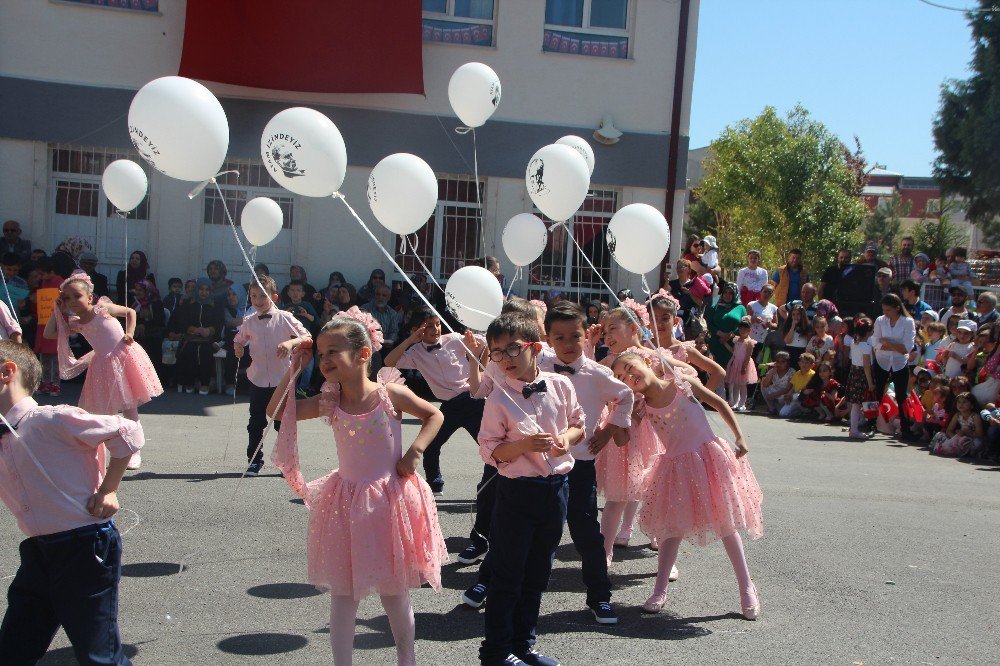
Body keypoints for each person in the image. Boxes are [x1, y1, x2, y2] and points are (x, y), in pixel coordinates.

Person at [267, 311, 447, 666]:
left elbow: (434, 415)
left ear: (363, 354)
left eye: (333, 351)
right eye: (320, 354)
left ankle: (406, 659)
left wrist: (415, 451)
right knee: (344, 595)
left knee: (394, 592)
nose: (325, 360)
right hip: (347, 503)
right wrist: (295, 366)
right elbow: (276, 410)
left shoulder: (389, 394)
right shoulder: (328, 401)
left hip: (390, 501)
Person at [0, 340, 144, 665]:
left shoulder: (51, 419)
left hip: (84, 547)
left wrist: (109, 489)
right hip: (39, 551)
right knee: (14, 648)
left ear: (6, 372)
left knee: (97, 655)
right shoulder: (4, 432)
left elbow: (129, 433)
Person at [610, 351, 762, 619]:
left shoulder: (681, 384)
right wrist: (619, 412)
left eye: (630, 367)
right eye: (622, 376)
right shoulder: (641, 405)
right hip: (675, 468)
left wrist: (740, 437)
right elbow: (624, 439)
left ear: (646, 362)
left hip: (708, 458)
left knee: (726, 523)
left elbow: (719, 404)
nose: (629, 376)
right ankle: (659, 589)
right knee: (671, 529)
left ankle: (746, 586)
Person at [476, 313, 584, 666]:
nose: (505, 359)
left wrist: (564, 441)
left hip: (556, 491)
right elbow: (490, 452)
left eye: (512, 349)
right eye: (497, 353)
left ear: (535, 348)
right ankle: (495, 652)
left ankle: (524, 644)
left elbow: (577, 426)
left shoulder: (560, 385)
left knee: (539, 572)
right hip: (516, 494)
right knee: (509, 575)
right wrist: (522, 445)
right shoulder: (498, 399)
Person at [44, 271, 162, 470]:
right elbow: (49, 333)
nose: (72, 301)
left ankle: (135, 450)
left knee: (129, 407)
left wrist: (130, 333)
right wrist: (57, 309)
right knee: (105, 410)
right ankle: (112, 448)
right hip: (103, 365)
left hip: (124, 357)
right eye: (66, 298)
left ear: (89, 297)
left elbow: (130, 312)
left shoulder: (102, 309)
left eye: (76, 296)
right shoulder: (76, 323)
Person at [383, 306, 485, 498]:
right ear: (417, 329)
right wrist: (410, 340)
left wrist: (479, 354)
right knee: (430, 445)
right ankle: (435, 485)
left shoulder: (454, 338)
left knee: (490, 445)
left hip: (472, 400)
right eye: (429, 325)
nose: (436, 329)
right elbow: (389, 361)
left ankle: (490, 485)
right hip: (448, 406)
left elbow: (484, 343)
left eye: (437, 324)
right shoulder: (415, 352)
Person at [233, 275, 311, 476]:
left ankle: (287, 462)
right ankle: (254, 460)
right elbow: (239, 339)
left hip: (281, 380)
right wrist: (238, 347)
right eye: (254, 296)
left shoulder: (285, 317)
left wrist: (289, 343)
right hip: (257, 378)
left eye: (263, 296)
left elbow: (306, 336)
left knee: (282, 423)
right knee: (255, 421)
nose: (258, 301)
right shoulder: (249, 321)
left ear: (274, 296)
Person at [649, 292, 726, 390]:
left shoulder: (684, 350)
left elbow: (718, 372)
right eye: (654, 319)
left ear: (675, 321)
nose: (659, 323)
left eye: (665, 318)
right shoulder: (642, 346)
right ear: (648, 322)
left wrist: (701, 399)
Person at [870, 294, 917, 439]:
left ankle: (905, 427)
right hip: (882, 360)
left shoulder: (907, 322)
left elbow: (906, 348)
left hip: (899, 362)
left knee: (901, 395)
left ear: (897, 308)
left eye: (888, 310)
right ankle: (871, 422)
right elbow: (876, 342)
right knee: (877, 392)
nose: (886, 313)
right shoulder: (880, 320)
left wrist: (888, 344)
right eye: (884, 310)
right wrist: (891, 346)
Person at [172, 278, 222, 395]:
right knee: (190, 350)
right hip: (191, 337)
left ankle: (205, 384)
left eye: (207, 289)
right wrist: (194, 330)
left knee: (205, 351)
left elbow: (219, 323)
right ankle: (189, 382)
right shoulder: (188, 304)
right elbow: (182, 322)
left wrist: (208, 330)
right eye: (201, 289)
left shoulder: (216, 305)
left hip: (209, 339)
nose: (204, 292)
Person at [33, 258, 63, 397]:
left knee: (56, 355)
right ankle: (45, 382)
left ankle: (56, 384)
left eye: (42, 274)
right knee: (44, 354)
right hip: (44, 322)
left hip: (56, 323)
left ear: (51, 272)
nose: (41, 277)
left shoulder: (61, 283)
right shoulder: (43, 283)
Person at [705, 283, 747, 369]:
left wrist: (731, 334)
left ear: (735, 294)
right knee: (714, 370)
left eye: (731, 293)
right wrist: (721, 334)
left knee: (730, 372)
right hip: (716, 343)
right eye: (725, 292)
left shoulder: (740, 308)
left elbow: (745, 325)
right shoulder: (715, 307)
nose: (727, 295)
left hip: (732, 345)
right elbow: (709, 323)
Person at [930, 392, 984, 457]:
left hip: (971, 438)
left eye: (964, 402)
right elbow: (949, 430)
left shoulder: (975, 417)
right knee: (940, 435)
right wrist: (955, 438)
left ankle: (968, 453)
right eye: (959, 402)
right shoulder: (957, 415)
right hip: (961, 437)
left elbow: (980, 434)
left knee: (977, 443)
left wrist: (965, 434)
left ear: (972, 405)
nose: (961, 404)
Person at [131, 279, 166, 375]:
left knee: (150, 344)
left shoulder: (156, 303)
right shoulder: (135, 303)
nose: (137, 292)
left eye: (140, 290)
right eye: (136, 290)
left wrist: (144, 325)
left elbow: (159, 321)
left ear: (147, 291)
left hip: (153, 333)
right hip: (136, 333)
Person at [667, 258, 710, 335]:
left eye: (681, 267)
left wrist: (689, 293)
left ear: (688, 269)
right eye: (678, 267)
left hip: (689, 322)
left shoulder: (694, 284)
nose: (679, 269)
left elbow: (700, 303)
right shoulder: (672, 283)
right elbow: (663, 293)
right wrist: (666, 281)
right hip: (674, 320)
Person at [363, 284, 401, 366]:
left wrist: (391, 340)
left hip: (385, 346)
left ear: (388, 298)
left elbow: (394, 331)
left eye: (384, 295)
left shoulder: (393, 314)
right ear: (374, 295)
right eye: (378, 294)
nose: (380, 297)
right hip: (368, 345)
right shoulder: (365, 309)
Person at [725, 319, 757, 411]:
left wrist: (744, 366)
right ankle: (735, 402)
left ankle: (742, 404)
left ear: (749, 329)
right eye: (741, 328)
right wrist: (725, 343)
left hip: (743, 363)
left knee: (742, 385)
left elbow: (748, 355)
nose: (742, 330)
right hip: (735, 364)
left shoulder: (749, 342)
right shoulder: (736, 340)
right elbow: (733, 351)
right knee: (735, 384)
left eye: (745, 328)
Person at [778, 352, 817, 418]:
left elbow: (812, 390)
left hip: (806, 398)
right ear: (799, 363)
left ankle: (807, 411)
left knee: (796, 396)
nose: (804, 364)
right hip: (795, 397)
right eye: (802, 362)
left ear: (812, 365)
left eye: (807, 363)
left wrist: (795, 395)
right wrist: (789, 395)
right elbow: (793, 388)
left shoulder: (813, 375)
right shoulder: (797, 373)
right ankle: (799, 413)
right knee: (782, 411)